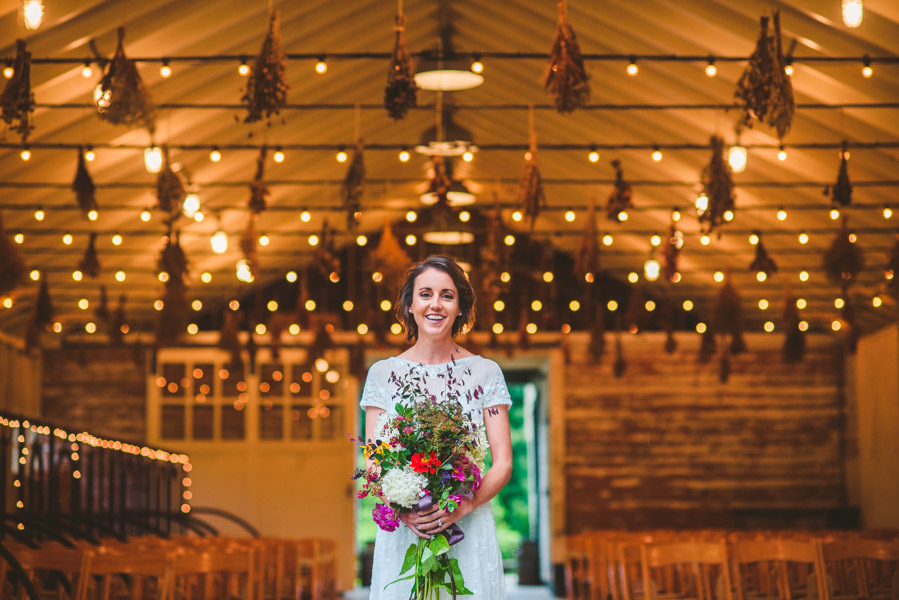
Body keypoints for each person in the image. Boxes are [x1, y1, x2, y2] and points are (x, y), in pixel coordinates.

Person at [360, 255, 513, 599]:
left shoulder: (485, 374)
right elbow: (374, 460)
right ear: (410, 305)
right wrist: (404, 511)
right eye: (426, 293)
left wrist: (466, 505)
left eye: (447, 295)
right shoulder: (383, 375)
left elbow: (502, 462)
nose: (436, 304)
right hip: (406, 531)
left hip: (466, 526)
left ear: (460, 307)